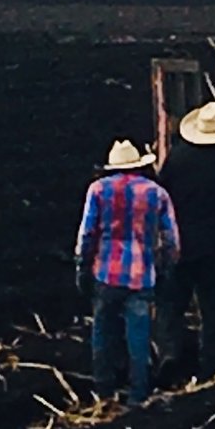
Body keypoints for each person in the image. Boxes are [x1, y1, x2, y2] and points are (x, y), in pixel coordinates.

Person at [76, 139, 180, 410]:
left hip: (105, 273)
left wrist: (82, 266)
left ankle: (104, 391)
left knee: (102, 332)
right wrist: (166, 269)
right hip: (141, 275)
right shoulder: (156, 193)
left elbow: (87, 233)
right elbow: (171, 240)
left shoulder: (98, 190)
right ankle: (138, 394)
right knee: (138, 335)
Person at [157, 99, 215, 376]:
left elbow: (162, 194)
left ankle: (170, 355)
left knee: (172, 305)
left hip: (179, 244)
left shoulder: (176, 158)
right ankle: (210, 364)